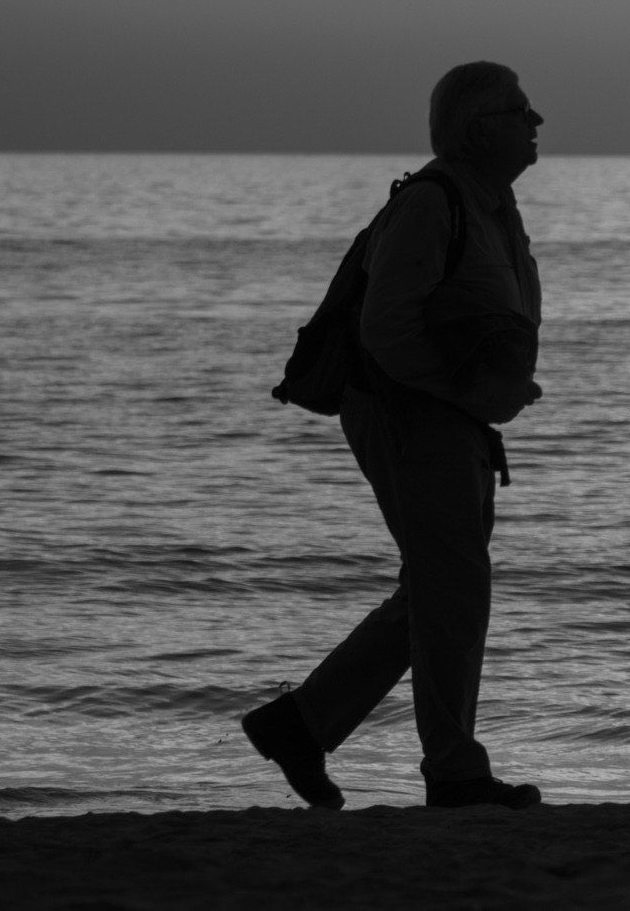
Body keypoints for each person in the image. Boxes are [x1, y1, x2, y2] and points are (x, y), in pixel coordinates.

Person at [241, 61, 546, 810]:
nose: (536, 121)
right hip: (408, 413)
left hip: (448, 417)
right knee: (453, 587)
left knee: (441, 588)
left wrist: (495, 390)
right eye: (519, 110)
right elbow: (386, 329)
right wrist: (462, 393)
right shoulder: (433, 203)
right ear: (478, 129)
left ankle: (301, 725)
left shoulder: (493, 206)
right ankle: (454, 771)